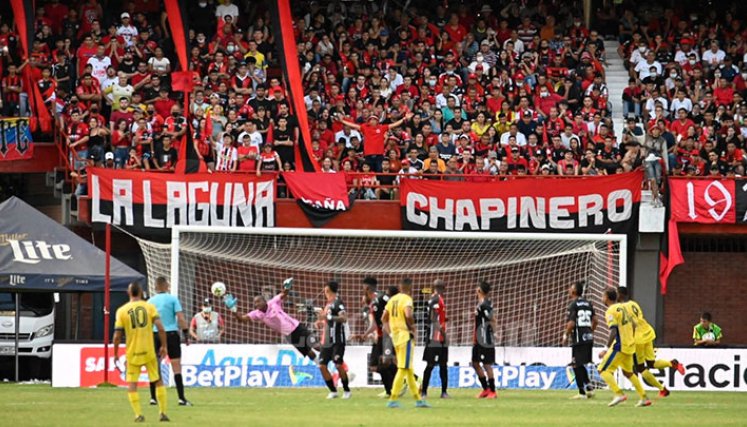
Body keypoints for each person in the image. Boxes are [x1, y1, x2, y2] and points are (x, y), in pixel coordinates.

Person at [112, 282, 170, 423]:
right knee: (158, 380)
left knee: (132, 383)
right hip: (149, 351)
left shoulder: (122, 311)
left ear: (129, 292)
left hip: (133, 352)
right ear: (141, 293)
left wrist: (115, 353)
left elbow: (117, 336)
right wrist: (164, 346)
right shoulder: (149, 307)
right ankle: (162, 413)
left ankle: (138, 415)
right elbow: (160, 328)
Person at [225, 278, 318, 360]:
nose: (256, 304)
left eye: (258, 301)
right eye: (255, 303)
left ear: (264, 301)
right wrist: (233, 309)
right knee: (309, 354)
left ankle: (330, 357)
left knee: (315, 345)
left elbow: (283, 294)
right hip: (289, 335)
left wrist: (287, 287)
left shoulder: (273, 302)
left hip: (297, 328)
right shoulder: (257, 314)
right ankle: (321, 367)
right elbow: (241, 319)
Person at [617, 287, 685, 397]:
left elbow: (630, 324)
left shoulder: (620, 308)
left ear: (620, 295)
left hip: (638, 338)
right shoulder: (634, 304)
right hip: (647, 332)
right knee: (651, 363)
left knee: (640, 368)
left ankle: (662, 389)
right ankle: (672, 363)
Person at [597, 288, 651, 407]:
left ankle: (618, 394)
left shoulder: (611, 311)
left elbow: (613, 331)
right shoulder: (623, 307)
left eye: (602, 296)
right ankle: (644, 397)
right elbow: (633, 324)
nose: (602, 298)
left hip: (620, 345)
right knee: (628, 373)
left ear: (606, 298)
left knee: (602, 370)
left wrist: (606, 348)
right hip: (630, 344)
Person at [382, 278, 430, 408]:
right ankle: (393, 399)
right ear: (410, 288)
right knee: (403, 368)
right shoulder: (407, 299)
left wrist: (390, 332)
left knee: (408, 369)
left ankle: (418, 400)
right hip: (405, 337)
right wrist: (413, 328)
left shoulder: (392, 300)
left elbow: (383, 318)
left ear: (400, 286)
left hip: (396, 338)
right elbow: (408, 315)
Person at [147, 276, 192, 407]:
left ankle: (153, 398)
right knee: (176, 366)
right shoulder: (173, 299)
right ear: (167, 286)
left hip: (155, 334)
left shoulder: (150, 301)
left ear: (155, 287)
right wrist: (186, 334)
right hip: (171, 334)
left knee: (155, 365)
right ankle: (181, 398)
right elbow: (181, 318)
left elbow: (148, 321)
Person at [354, 276, 397, 398]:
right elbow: (374, 324)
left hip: (387, 335)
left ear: (366, 288)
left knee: (385, 362)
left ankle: (394, 387)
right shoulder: (374, 302)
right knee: (375, 366)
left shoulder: (381, 298)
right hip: (380, 337)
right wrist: (365, 335)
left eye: (363, 287)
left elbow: (393, 313)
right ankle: (394, 386)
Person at [316, 280, 351, 399]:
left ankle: (346, 390)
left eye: (326, 291)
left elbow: (344, 318)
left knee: (338, 365)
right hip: (326, 341)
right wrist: (320, 322)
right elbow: (327, 321)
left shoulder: (338, 303)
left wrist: (327, 316)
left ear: (328, 290)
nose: (325, 293)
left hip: (337, 340)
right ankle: (333, 391)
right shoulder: (327, 305)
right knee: (321, 366)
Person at [563, 280, 597, 399]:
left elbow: (571, 323)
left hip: (578, 338)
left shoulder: (573, 305)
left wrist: (566, 335)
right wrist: (589, 331)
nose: (569, 289)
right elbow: (596, 321)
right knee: (580, 363)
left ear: (574, 291)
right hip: (588, 337)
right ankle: (589, 386)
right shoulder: (588, 303)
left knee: (576, 364)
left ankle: (582, 392)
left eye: (570, 288)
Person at [421, 279, 449, 399]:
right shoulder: (436, 299)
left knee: (442, 364)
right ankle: (424, 391)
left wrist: (444, 321)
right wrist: (443, 332)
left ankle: (443, 392)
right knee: (431, 365)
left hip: (438, 337)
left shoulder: (436, 299)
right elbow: (433, 318)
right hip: (435, 338)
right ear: (443, 288)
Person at [472, 280, 497, 399]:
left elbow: (492, 319)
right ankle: (485, 389)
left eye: (477, 288)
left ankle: (493, 391)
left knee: (486, 365)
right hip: (477, 339)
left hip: (484, 339)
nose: (475, 290)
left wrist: (494, 333)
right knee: (475, 363)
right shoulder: (480, 303)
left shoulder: (485, 305)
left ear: (480, 290)